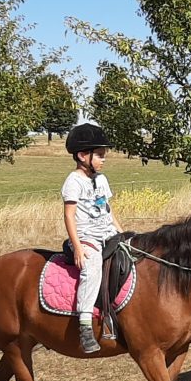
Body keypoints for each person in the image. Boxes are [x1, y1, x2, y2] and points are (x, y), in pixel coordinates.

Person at [62, 123, 123, 354]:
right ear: (82, 155)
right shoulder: (73, 182)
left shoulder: (102, 179)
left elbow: (107, 209)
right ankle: (85, 323)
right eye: (99, 155)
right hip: (86, 237)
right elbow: (69, 216)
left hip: (106, 232)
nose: (103, 160)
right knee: (93, 266)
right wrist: (77, 247)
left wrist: (121, 232)